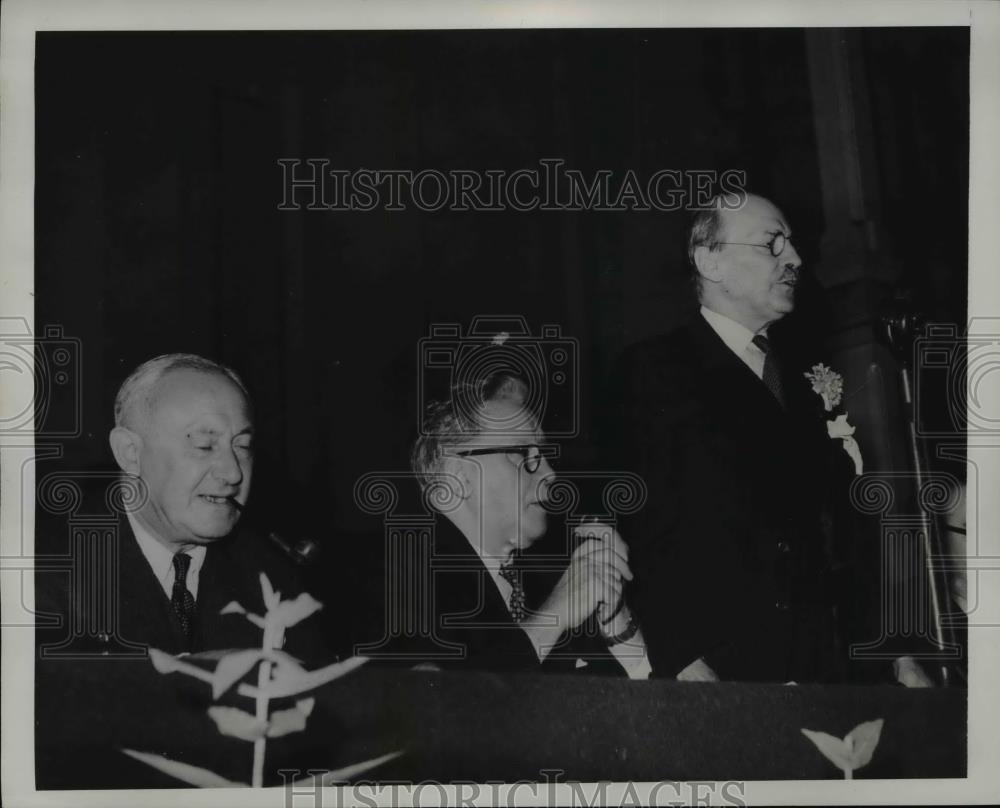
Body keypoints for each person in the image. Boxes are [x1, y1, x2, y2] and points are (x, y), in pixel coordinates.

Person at [606, 192, 863, 683]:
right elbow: (641, 523)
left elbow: (840, 533)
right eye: (773, 244)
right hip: (724, 670)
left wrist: (890, 650)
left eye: (791, 244)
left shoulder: (804, 378)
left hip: (824, 666)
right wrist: (680, 656)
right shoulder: (657, 371)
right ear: (710, 261)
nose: (795, 259)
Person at [35, 353, 327, 659]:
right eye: (204, 445)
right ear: (130, 453)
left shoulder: (273, 574)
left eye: (241, 447)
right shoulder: (45, 570)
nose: (233, 473)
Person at [368, 370, 650, 677]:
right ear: (457, 476)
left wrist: (616, 620)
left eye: (542, 454)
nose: (550, 475)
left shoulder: (553, 577)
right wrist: (552, 617)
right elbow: (434, 710)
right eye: (523, 454)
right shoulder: (388, 579)